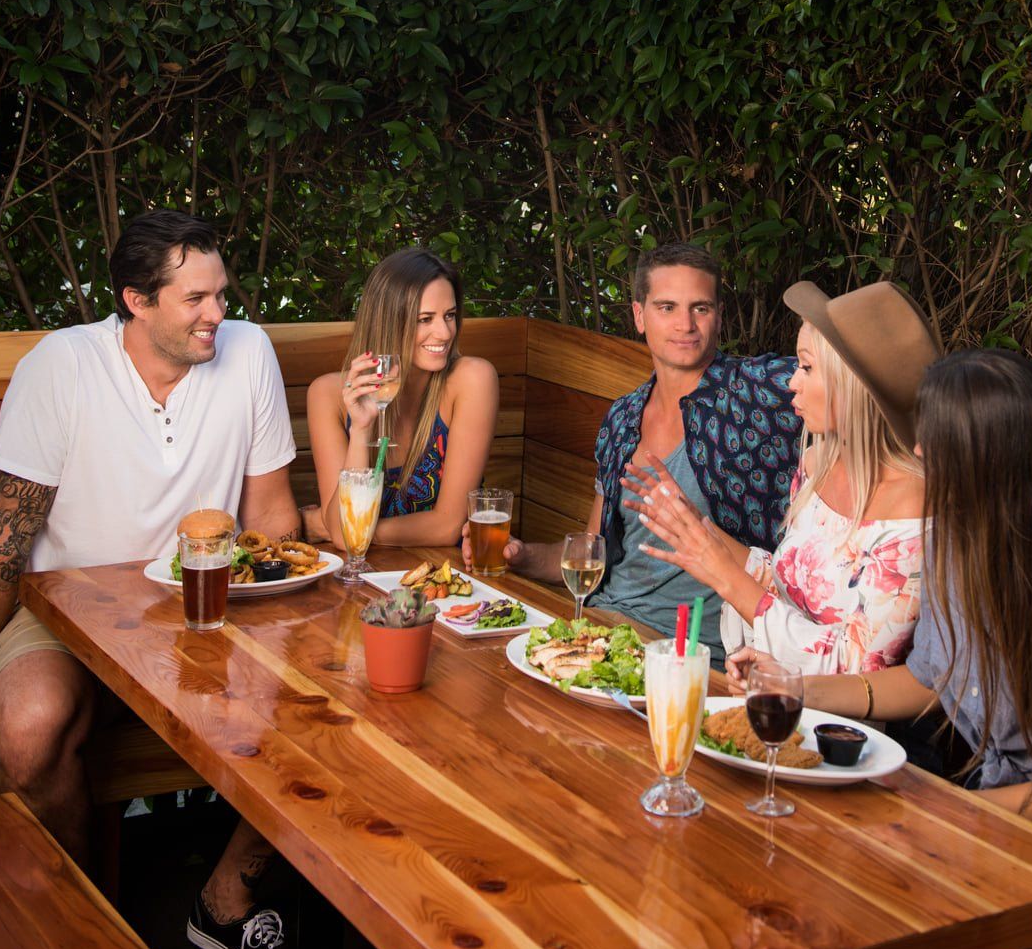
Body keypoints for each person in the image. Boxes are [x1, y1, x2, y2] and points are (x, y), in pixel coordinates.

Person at [735, 347, 1032, 949]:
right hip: (988, 816)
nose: (920, 454)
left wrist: (927, 818)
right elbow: (927, 679)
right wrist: (795, 688)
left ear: (992, 457)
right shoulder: (963, 541)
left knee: (846, 933)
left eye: (935, 442)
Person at [0, 209, 302, 949]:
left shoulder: (248, 351)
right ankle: (80, 932)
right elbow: (4, 546)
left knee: (324, 711)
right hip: (65, 612)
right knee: (27, 724)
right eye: (196, 299)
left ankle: (225, 899)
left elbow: (274, 519)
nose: (218, 312)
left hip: (206, 614)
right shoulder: (62, 367)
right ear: (136, 300)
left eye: (221, 293)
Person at [462, 242, 800, 656]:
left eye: (700, 308)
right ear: (639, 316)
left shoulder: (756, 393)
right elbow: (592, 552)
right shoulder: (623, 418)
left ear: (719, 316)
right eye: (667, 307)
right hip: (605, 627)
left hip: (697, 652)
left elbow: (846, 375)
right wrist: (519, 554)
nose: (685, 324)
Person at [627, 279, 938, 674]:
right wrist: (697, 528)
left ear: (852, 384)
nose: (792, 382)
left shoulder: (915, 512)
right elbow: (790, 588)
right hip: (765, 685)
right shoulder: (817, 464)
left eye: (807, 367)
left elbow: (855, 665)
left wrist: (725, 577)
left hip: (824, 711)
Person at [307, 248, 498, 550]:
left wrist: (341, 528)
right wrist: (361, 429)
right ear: (387, 322)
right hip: (363, 573)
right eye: (425, 319)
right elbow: (343, 535)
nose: (444, 333)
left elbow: (447, 526)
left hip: (442, 571)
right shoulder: (327, 395)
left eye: (449, 316)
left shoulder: (472, 379)